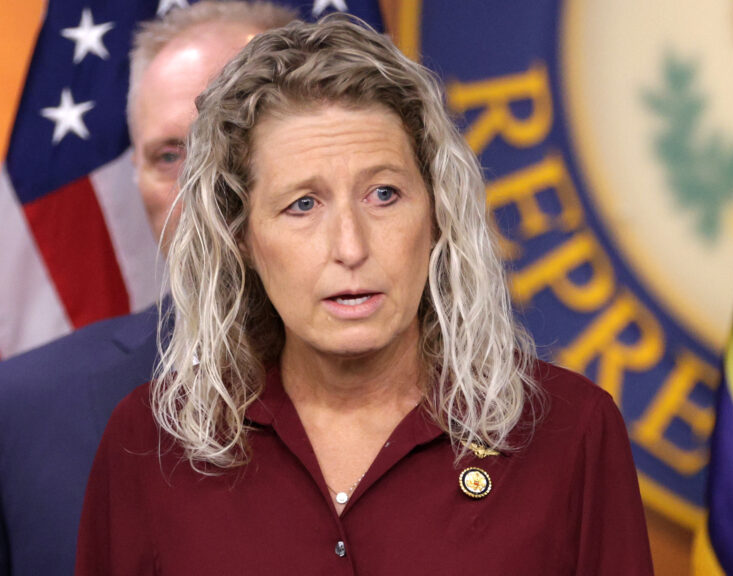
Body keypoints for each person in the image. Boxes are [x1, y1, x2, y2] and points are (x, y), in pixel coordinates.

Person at [76, 14, 654, 575]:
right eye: (303, 204)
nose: (350, 247)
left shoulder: (570, 430)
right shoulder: (149, 443)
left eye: (383, 194)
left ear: (437, 215)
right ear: (241, 237)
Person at [0, 4, 296, 575]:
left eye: (233, 140)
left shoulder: (460, 398)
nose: (201, 185)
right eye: (169, 155)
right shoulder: (21, 414)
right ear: (133, 175)